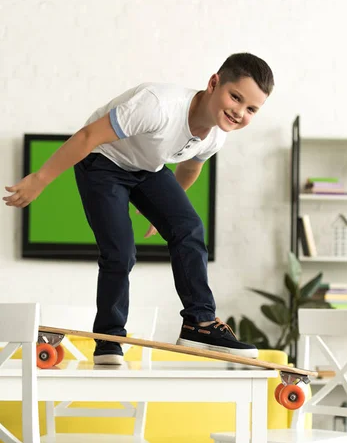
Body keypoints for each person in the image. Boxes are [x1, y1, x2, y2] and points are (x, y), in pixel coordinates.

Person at [4, 53, 274, 365]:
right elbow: (88, 136)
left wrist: (163, 213)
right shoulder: (158, 106)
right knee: (120, 252)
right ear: (214, 83)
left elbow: (189, 169)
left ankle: (199, 324)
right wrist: (40, 178)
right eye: (235, 97)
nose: (239, 112)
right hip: (102, 160)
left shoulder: (216, 135)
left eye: (251, 109)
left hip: (148, 168)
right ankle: (109, 338)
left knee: (189, 228)